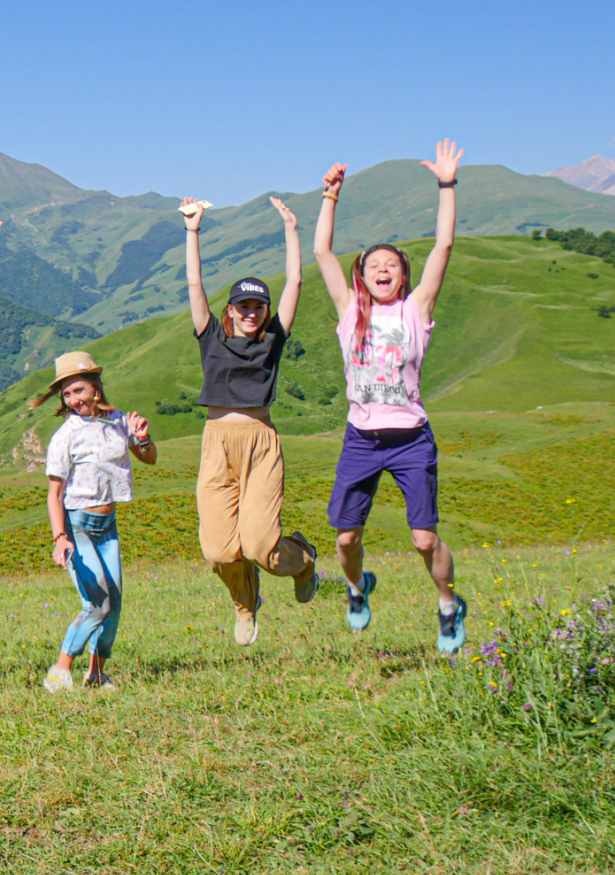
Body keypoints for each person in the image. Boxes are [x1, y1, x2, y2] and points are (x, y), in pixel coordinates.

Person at [313, 140, 469, 652]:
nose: (383, 269)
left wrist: (447, 185)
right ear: (362, 275)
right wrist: (330, 197)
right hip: (361, 439)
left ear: (404, 275)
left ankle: (448, 604)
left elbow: (443, 247)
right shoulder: (349, 312)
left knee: (424, 539)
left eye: (393, 265)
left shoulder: (415, 311)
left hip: (411, 440)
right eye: (373, 264)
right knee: (345, 540)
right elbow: (321, 253)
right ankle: (358, 588)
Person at [182, 195, 320, 646]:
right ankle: (245, 603)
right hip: (217, 441)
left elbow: (296, 281)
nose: (249, 312)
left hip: (260, 442)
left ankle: (303, 559)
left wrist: (291, 230)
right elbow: (195, 284)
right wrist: (193, 231)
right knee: (219, 550)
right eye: (242, 306)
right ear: (230, 310)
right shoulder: (211, 337)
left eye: (257, 307)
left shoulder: (272, 340)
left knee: (261, 547)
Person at [30, 352, 156, 691]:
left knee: (113, 606)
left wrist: (142, 438)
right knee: (97, 604)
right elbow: (54, 494)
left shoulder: (117, 421)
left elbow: (149, 458)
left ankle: (96, 674)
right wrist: (60, 538)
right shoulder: (65, 436)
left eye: (80, 390)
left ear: (96, 388)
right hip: (77, 527)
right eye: (68, 394)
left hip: (108, 527)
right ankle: (59, 671)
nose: (74, 400)